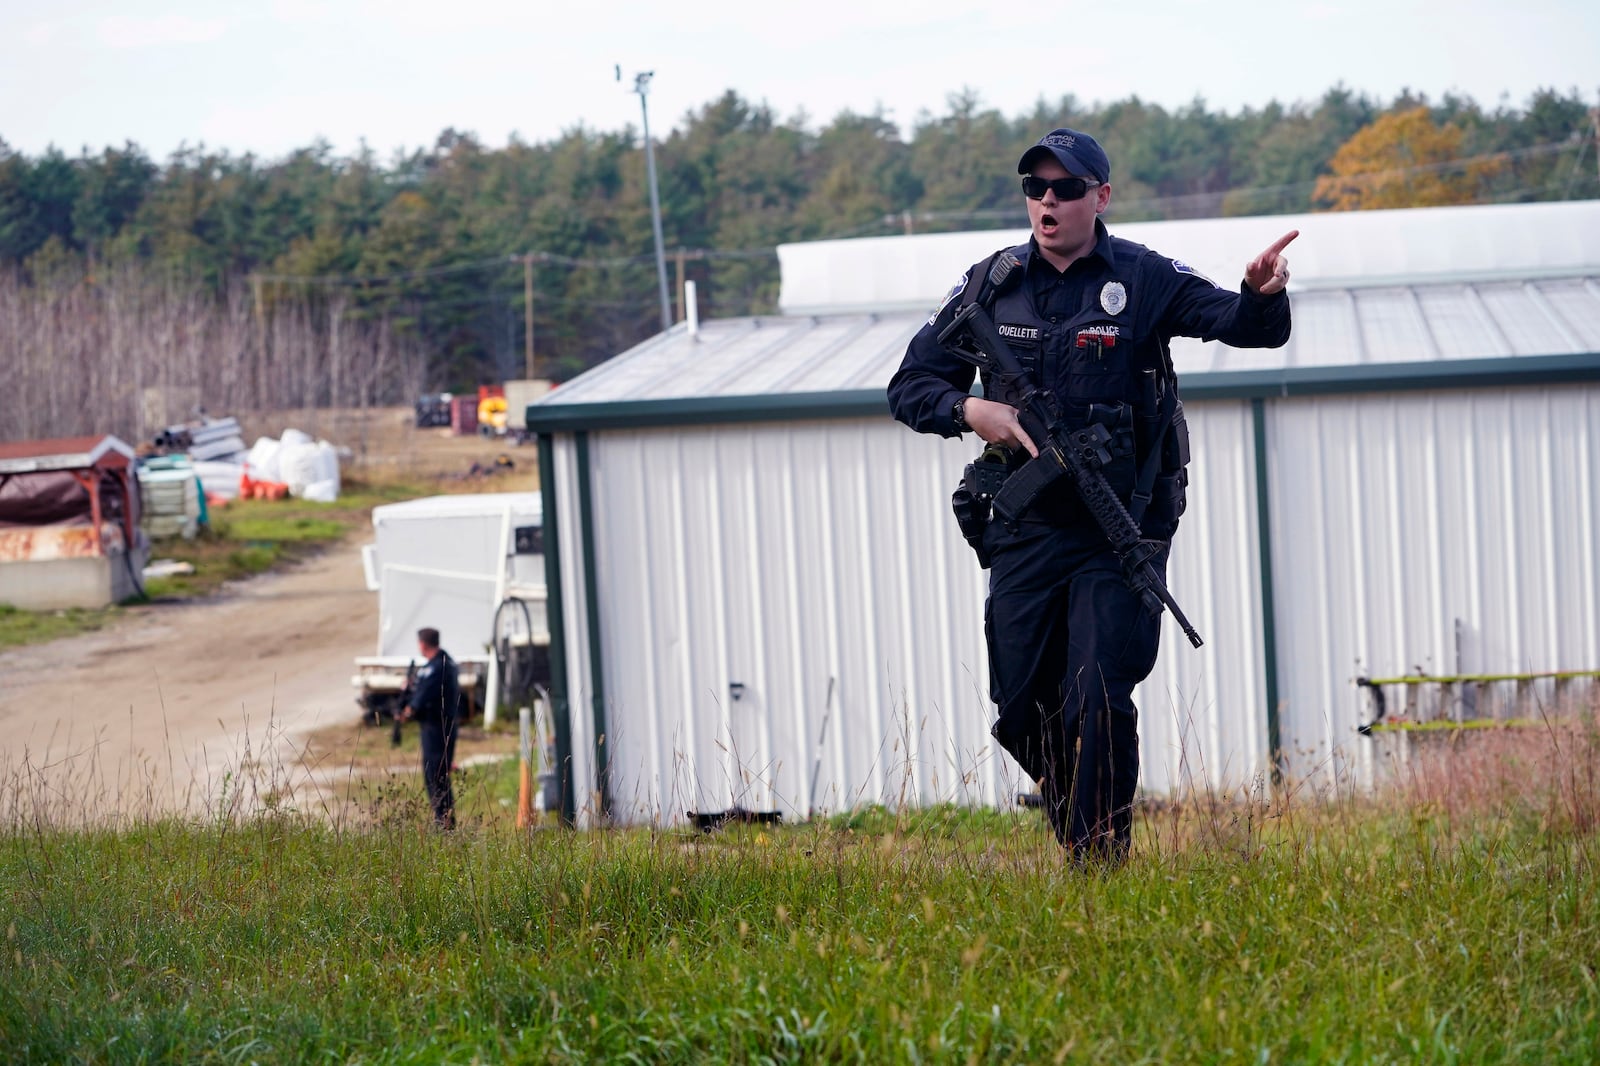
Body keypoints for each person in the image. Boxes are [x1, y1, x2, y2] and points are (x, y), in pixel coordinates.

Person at [887, 128, 1295, 862]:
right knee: (1019, 712)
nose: (1048, 199)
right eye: (1035, 187)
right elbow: (910, 384)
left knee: (1097, 696)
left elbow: (1239, 326)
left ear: (1099, 197)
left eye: (1066, 187)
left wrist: (1261, 294)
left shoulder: (1141, 278)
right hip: (1027, 527)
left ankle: (1099, 861)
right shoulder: (990, 283)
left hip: (1122, 528)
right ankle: (1084, 828)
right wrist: (970, 412)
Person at [401, 626, 462, 828]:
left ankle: (445, 823)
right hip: (431, 728)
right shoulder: (436, 665)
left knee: (437, 775)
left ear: (422, 644)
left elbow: (424, 696)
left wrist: (409, 710)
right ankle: (441, 819)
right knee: (432, 775)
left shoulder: (439, 667)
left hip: (439, 729)